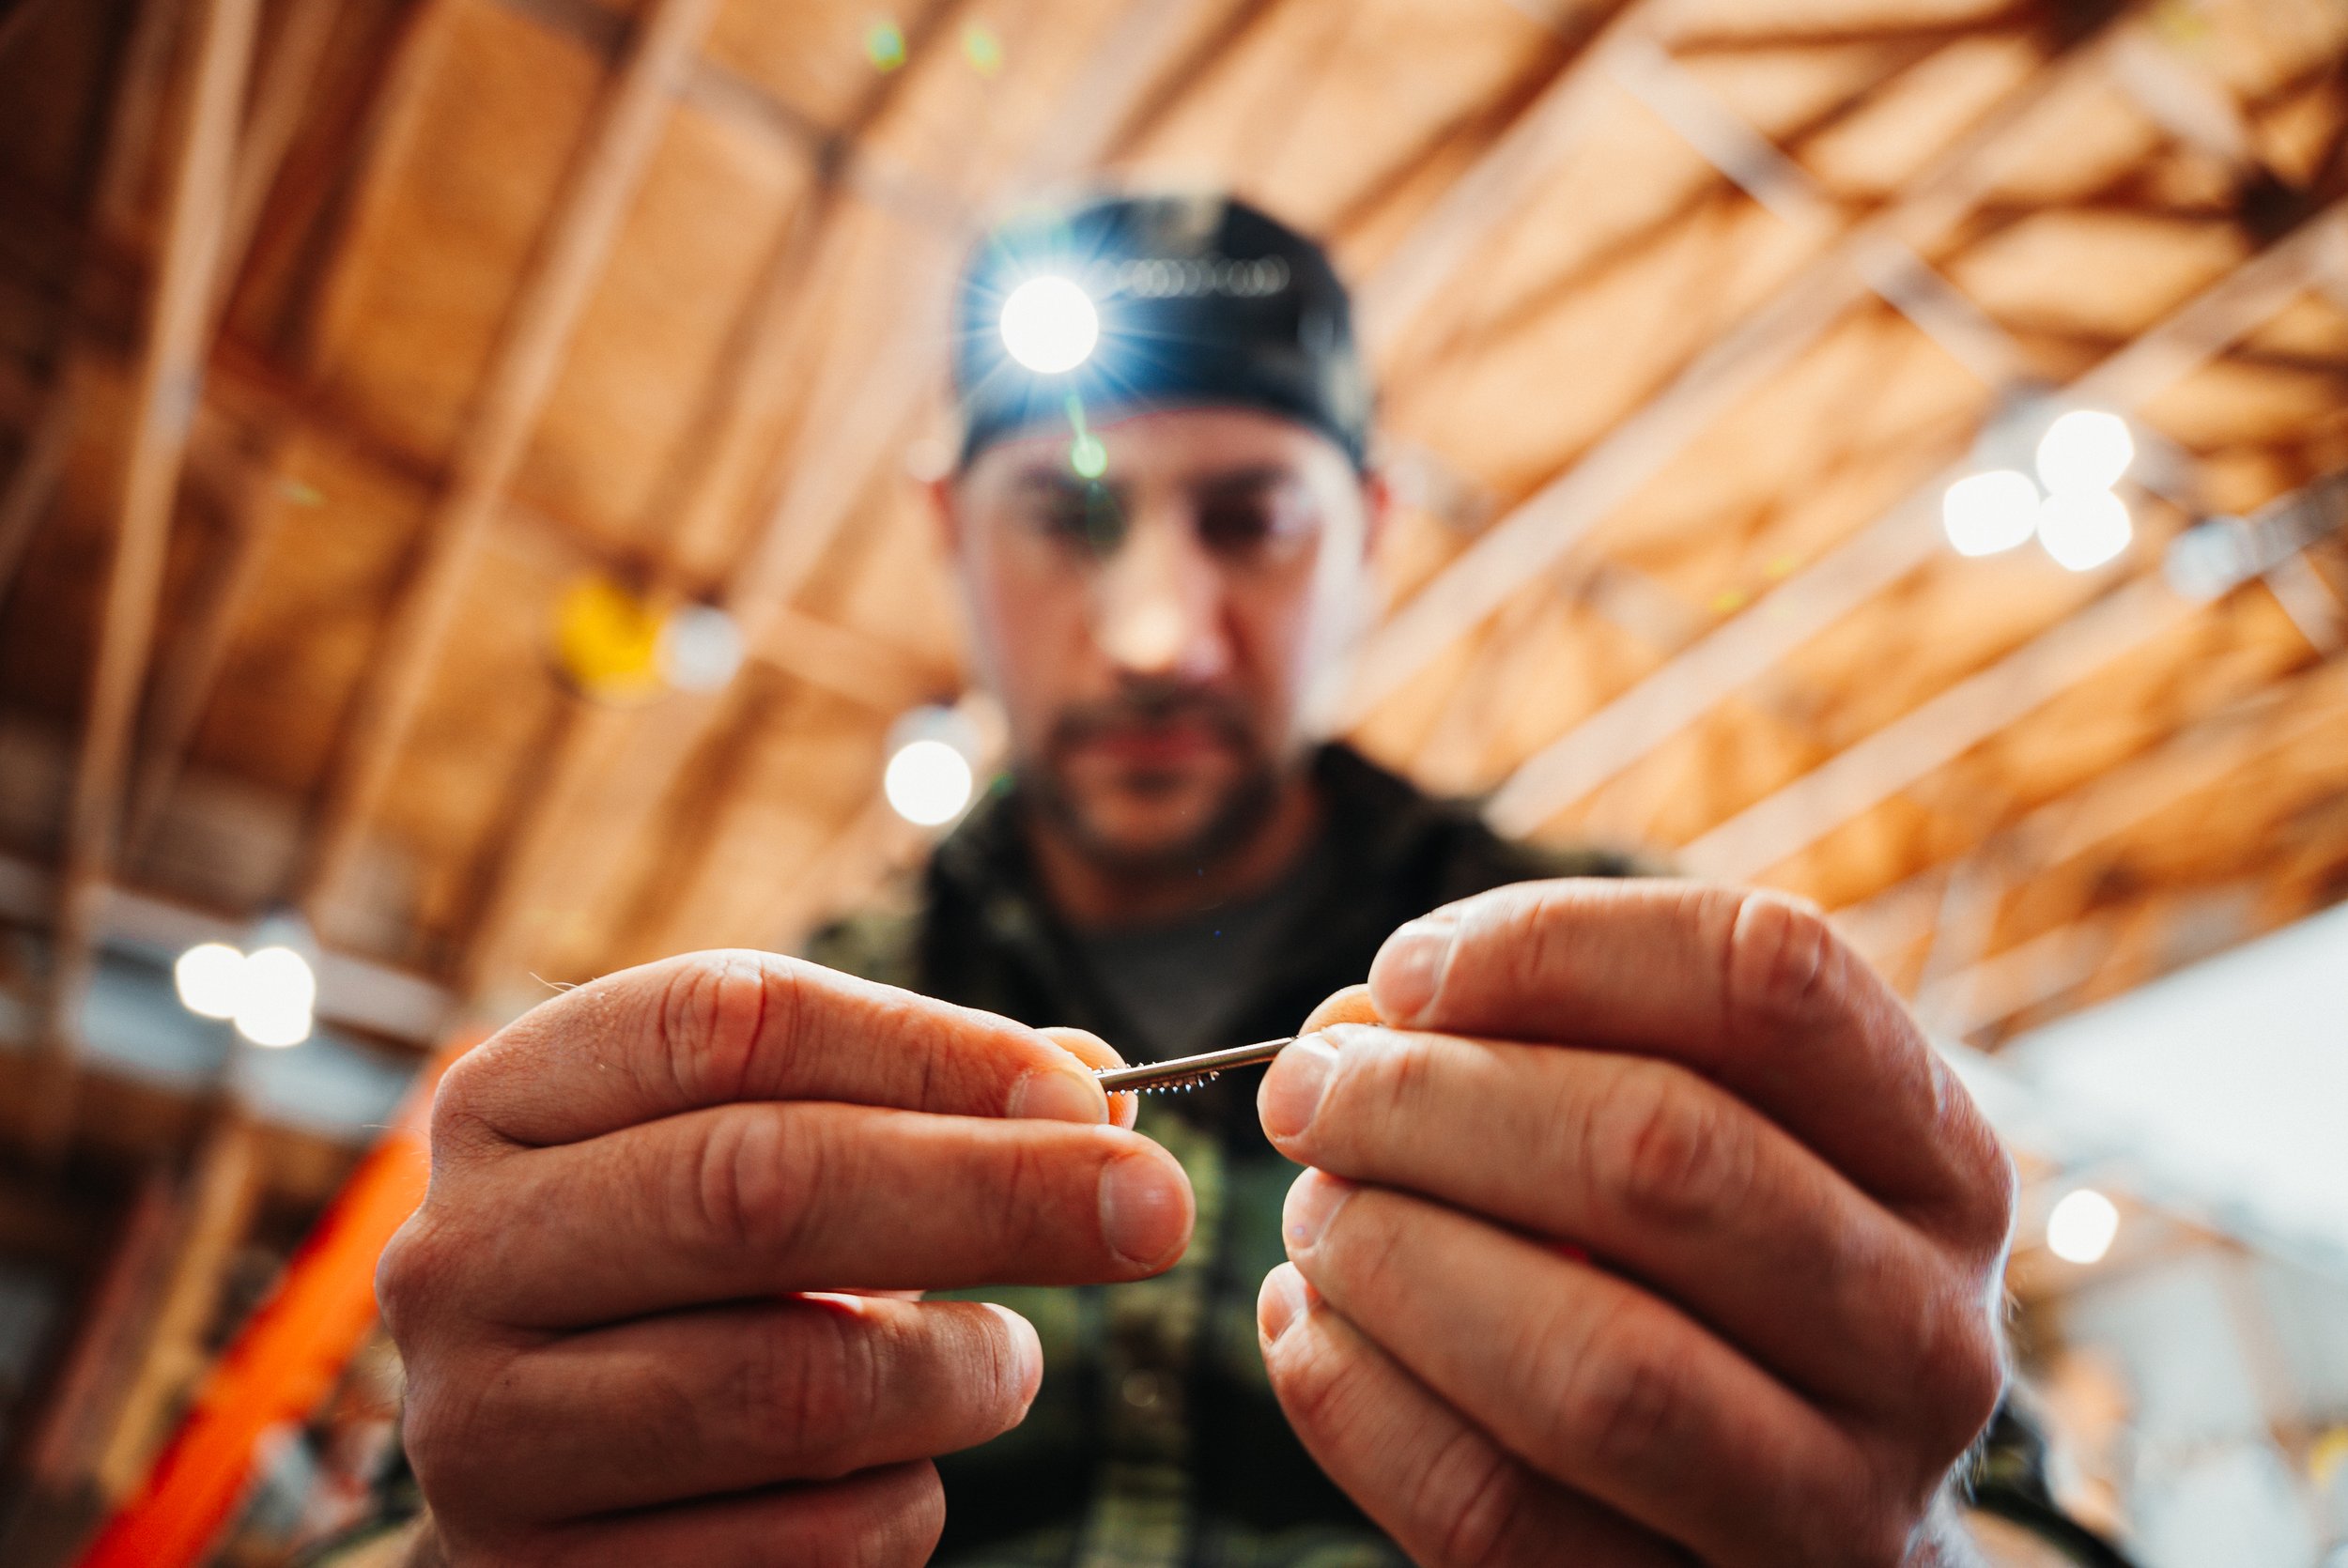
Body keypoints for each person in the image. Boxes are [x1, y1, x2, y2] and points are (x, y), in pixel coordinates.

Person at [350, 193, 2033, 1567]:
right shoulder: (741, 1064)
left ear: (1371, 530)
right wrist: (467, 1544)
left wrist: (1903, 1536)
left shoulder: (1641, 1004)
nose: (1156, 634)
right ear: (947, 534)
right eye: (1068, 519)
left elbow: (2018, 1516)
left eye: (1250, 522)